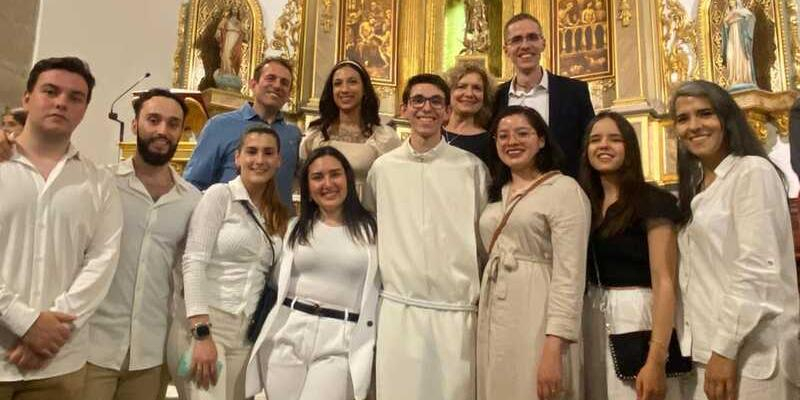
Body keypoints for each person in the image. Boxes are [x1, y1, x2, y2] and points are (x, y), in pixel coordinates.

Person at [0, 56, 123, 399]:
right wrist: (26, 323)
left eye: (75, 97)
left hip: (58, 364)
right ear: (27, 98)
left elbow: (102, 261)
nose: (61, 102)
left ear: (84, 109)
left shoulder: (99, 182)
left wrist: (52, 333)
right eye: (50, 91)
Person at [363, 73, 489, 400]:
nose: (426, 108)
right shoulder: (383, 169)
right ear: (404, 108)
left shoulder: (471, 169)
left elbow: (483, 243)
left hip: (456, 313)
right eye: (417, 100)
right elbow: (372, 231)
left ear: (447, 111)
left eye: (436, 101)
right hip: (399, 311)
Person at [671, 80, 800, 400]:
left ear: (726, 118)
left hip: (752, 352)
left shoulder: (752, 171)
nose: (693, 126)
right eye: (683, 118)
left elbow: (757, 268)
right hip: (710, 349)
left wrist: (725, 349)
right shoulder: (698, 187)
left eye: (705, 113)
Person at [80, 89, 202, 400]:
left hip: (150, 353)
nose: (163, 130)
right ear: (135, 125)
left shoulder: (191, 200)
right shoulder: (102, 182)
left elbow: (189, 272)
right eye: (153, 120)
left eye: (173, 124)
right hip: (92, 347)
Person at [244, 146, 379, 400]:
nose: (327, 184)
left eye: (335, 174)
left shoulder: (372, 231)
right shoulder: (294, 228)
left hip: (341, 338)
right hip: (288, 330)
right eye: (317, 177)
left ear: (348, 179)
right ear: (307, 186)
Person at [476, 105, 589, 400]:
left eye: (522, 133)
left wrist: (554, 346)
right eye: (503, 136)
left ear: (541, 140)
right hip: (495, 308)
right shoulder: (495, 193)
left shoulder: (563, 190)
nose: (511, 141)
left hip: (538, 309)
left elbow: (570, 275)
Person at [169, 124, 289, 399]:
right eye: (252, 152)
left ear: (279, 160)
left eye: (268, 153)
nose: (259, 160)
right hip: (206, 325)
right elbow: (193, 261)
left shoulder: (276, 214)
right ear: (237, 158)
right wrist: (201, 332)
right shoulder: (220, 196)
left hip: (246, 334)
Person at [578, 111, 682, 400]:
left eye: (615, 139)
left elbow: (665, 281)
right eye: (595, 140)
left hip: (639, 316)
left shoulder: (653, 201)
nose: (604, 145)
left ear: (630, 148)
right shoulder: (584, 203)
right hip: (592, 315)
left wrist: (656, 358)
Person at [183, 57, 300, 209]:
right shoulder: (220, 126)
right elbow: (193, 184)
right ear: (253, 84)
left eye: (284, 83)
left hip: (279, 222)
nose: (277, 85)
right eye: (270, 78)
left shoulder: (293, 135)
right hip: (230, 220)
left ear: (289, 94)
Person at [493, 12, 595, 177]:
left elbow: (588, 146)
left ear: (543, 43)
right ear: (506, 49)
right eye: (516, 40)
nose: (525, 45)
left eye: (532, 37)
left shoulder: (574, 92)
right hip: (510, 189)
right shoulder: (495, 98)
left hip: (565, 187)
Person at [300, 60, 400, 196]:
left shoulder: (385, 138)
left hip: (367, 208)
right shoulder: (315, 136)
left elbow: (393, 187)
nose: (344, 89)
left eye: (352, 82)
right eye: (338, 83)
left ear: (364, 89)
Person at [443, 62, 495, 166]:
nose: (469, 94)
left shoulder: (490, 143)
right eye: (461, 87)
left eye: (477, 88)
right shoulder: (433, 132)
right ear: (448, 92)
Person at [722, 0, 756, 88]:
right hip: (731, 37)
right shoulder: (728, 15)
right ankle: (734, 79)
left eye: (732, 0)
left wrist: (739, 15)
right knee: (731, 56)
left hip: (740, 37)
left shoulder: (743, 11)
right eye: (729, 1)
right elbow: (725, 30)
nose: (730, 2)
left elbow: (751, 18)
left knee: (741, 55)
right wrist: (725, 24)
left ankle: (744, 78)